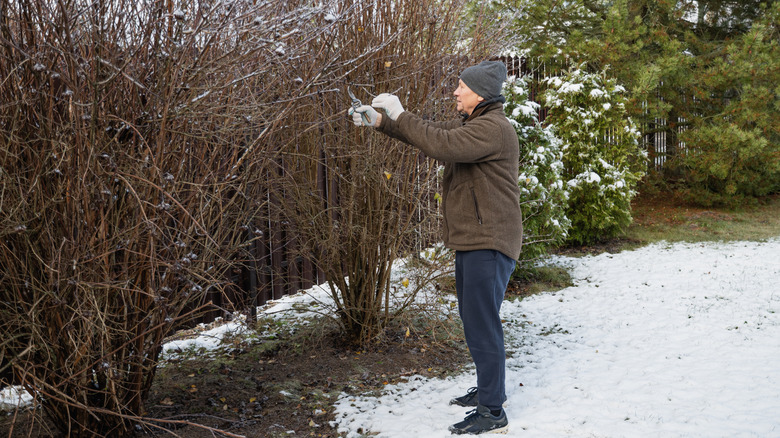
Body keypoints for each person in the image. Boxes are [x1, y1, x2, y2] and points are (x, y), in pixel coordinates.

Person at [349, 60, 523, 435]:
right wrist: (381, 122)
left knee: (482, 325)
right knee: (475, 321)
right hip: (476, 240)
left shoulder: (494, 129)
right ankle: (488, 391)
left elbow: (441, 144)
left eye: (462, 87)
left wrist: (400, 112)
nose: (456, 92)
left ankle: (492, 410)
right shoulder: (477, 124)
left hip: (489, 242)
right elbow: (430, 133)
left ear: (480, 94)